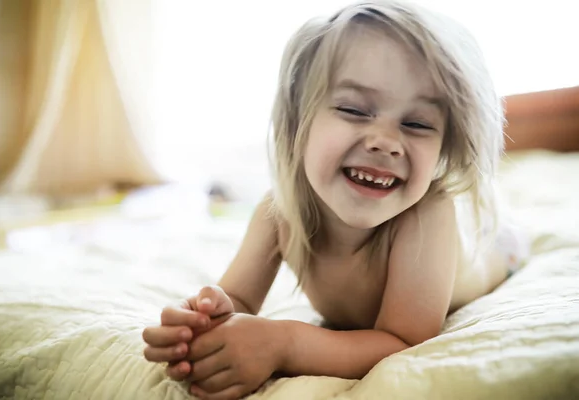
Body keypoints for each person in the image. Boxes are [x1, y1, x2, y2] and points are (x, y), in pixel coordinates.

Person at [142, 1, 527, 399]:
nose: (386, 141)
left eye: (416, 124)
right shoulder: (278, 213)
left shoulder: (426, 215)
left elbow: (401, 340)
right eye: (353, 109)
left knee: (500, 227)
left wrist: (285, 342)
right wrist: (205, 321)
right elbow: (238, 298)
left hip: (497, 251)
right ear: (297, 123)